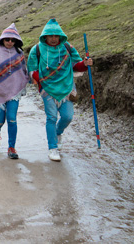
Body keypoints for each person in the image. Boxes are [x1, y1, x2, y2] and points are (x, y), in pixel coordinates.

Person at [27, 18, 93, 162]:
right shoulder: (36, 49)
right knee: (51, 117)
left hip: (67, 88)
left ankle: (58, 132)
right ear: (45, 36)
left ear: (60, 36)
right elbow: (31, 70)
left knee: (67, 116)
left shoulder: (67, 47)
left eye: (56, 36)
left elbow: (76, 65)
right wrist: (42, 81)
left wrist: (85, 64)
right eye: (50, 36)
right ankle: (53, 148)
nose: (53, 39)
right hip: (47, 89)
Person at [0, 23, 30, 159]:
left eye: (13, 40)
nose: (10, 42)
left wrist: (30, 79)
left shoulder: (19, 54)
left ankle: (11, 148)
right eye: (7, 39)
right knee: (0, 120)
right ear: (2, 39)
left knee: (12, 119)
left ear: (16, 41)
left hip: (14, 92)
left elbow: (23, 71)